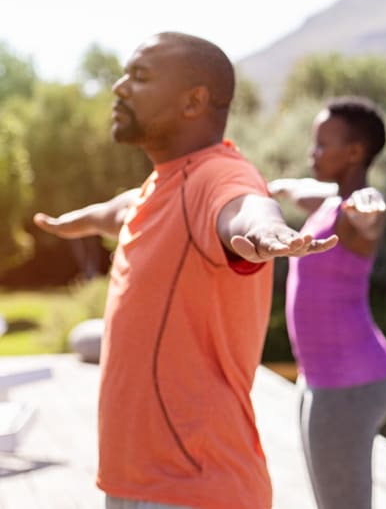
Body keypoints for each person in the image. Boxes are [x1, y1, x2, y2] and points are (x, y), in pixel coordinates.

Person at [33, 32, 337, 509]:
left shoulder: (218, 176)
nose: (118, 87)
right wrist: (77, 221)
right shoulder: (163, 184)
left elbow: (246, 206)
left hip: (196, 488)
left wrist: (267, 233)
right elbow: (121, 208)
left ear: (195, 100)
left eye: (140, 76)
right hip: (134, 483)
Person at [268, 96, 386, 509]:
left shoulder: (353, 212)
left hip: (348, 383)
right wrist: (268, 189)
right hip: (322, 378)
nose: (312, 152)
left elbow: (369, 212)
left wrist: (367, 211)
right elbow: (300, 189)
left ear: (355, 152)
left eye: (323, 144)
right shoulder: (328, 202)